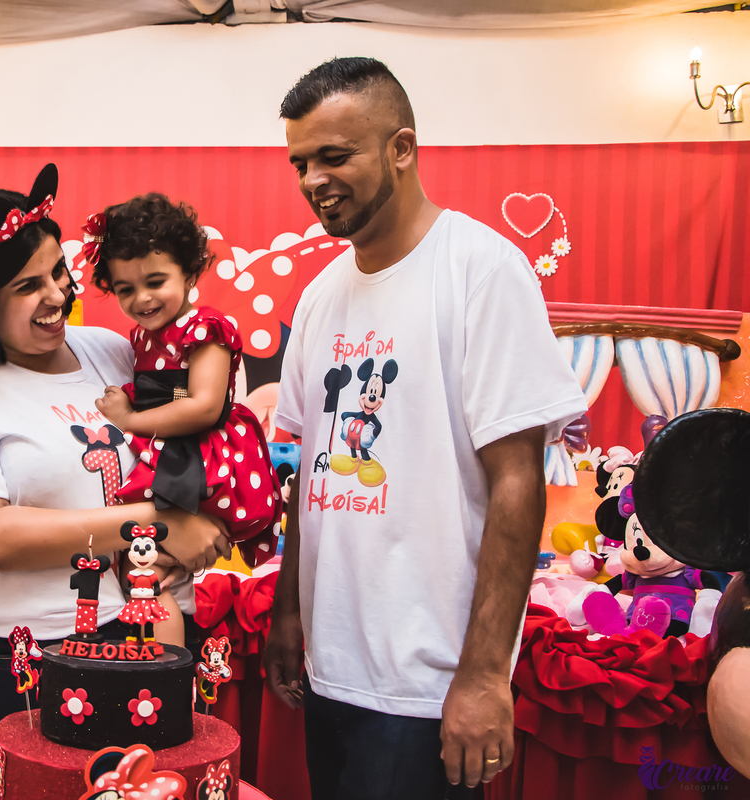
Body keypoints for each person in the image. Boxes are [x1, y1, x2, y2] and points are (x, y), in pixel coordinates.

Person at [261, 58, 588, 799]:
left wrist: (480, 676)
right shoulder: (318, 299)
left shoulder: (482, 270)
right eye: (301, 162)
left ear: (401, 149)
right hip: (329, 673)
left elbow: (517, 481)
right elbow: (311, 475)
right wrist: (289, 614)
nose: (314, 179)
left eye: (334, 156)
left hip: (427, 689)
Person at [0, 165, 231, 776]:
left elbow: (194, 456)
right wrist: (155, 526)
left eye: (59, 271)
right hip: (24, 659)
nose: (56, 295)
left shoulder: (110, 348)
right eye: (28, 286)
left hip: (146, 637)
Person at [87, 194, 284, 646]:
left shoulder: (206, 327)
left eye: (156, 281)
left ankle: (168, 674)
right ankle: (160, 671)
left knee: (147, 573)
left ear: (191, 273)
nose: (143, 298)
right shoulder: (141, 336)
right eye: (126, 289)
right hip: (172, 450)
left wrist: (130, 419)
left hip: (203, 455)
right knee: (145, 566)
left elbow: (204, 407)